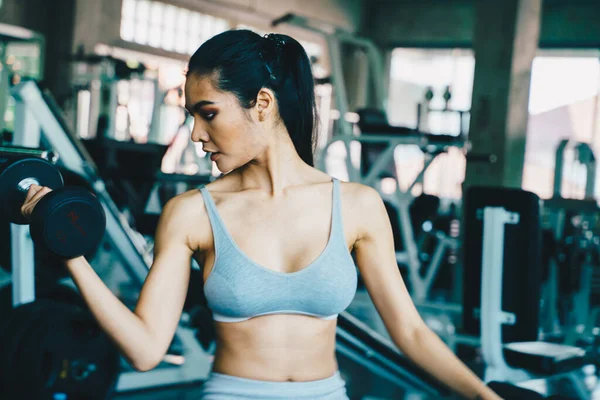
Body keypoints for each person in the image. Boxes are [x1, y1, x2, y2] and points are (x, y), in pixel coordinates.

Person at [21, 30, 501, 400]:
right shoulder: (192, 214)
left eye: (207, 113)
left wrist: (482, 394)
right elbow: (146, 351)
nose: (195, 134)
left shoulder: (357, 205)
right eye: (191, 116)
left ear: (263, 104)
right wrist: (69, 249)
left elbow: (411, 331)